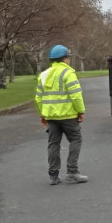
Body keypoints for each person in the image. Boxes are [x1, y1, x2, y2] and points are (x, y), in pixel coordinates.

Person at [35, 45, 87, 185]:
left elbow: (38, 98)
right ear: (64, 58)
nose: (69, 60)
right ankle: (72, 172)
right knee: (76, 139)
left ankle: (53, 175)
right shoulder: (68, 73)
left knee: (53, 144)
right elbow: (76, 95)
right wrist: (81, 111)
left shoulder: (44, 75)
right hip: (68, 115)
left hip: (51, 117)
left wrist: (43, 115)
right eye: (68, 57)